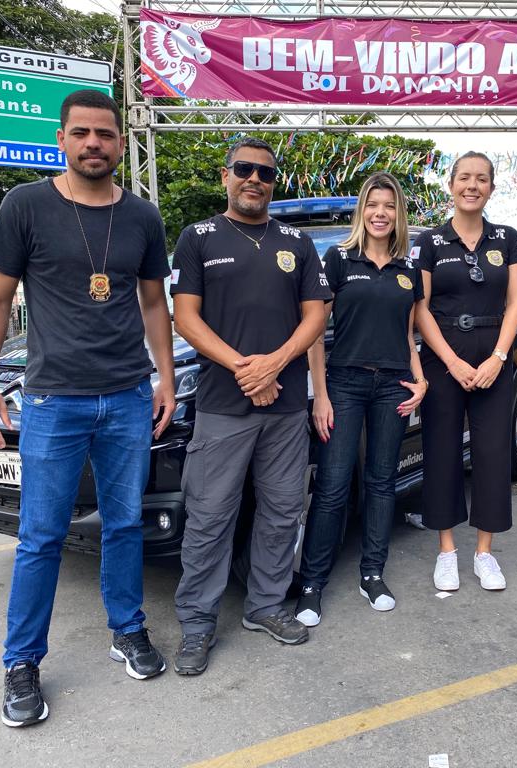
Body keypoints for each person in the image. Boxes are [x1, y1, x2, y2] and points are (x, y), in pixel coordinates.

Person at [0, 89, 175, 728]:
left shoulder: (141, 217)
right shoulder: (26, 206)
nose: (94, 143)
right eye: (82, 133)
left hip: (127, 396)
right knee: (41, 537)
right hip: (53, 399)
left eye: (105, 134)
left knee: (123, 525)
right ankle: (21, 663)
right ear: (61, 139)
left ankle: (128, 629)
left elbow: (153, 304)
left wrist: (165, 378)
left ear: (121, 143)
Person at [170, 138, 330, 675]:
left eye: (265, 172)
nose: (254, 179)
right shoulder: (198, 237)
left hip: (285, 408)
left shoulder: (297, 242)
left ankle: (265, 605)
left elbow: (316, 316)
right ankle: (197, 623)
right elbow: (185, 319)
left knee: (283, 511)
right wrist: (247, 369)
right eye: (244, 169)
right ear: (226, 176)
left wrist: (275, 364)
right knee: (210, 517)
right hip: (223, 405)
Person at [293, 173, 426, 627]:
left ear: (398, 213)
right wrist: (321, 395)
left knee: (381, 483)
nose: (380, 213)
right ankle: (311, 584)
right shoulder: (339, 259)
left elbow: (408, 335)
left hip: (394, 386)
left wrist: (421, 381)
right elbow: (314, 332)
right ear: (362, 211)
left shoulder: (408, 269)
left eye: (388, 206)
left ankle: (373, 574)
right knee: (332, 486)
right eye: (373, 204)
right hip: (345, 385)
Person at [413, 152, 517, 592]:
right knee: (441, 451)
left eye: (481, 179)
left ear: (492, 188)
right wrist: (451, 361)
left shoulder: (508, 239)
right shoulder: (431, 241)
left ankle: (484, 552)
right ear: (451, 185)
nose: (472, 185)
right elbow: (421, 307)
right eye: (464, 178)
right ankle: (446, 551)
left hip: (493, 356)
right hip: (444, 357)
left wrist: (498, 357)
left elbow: (515, 303)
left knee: (492, 452)